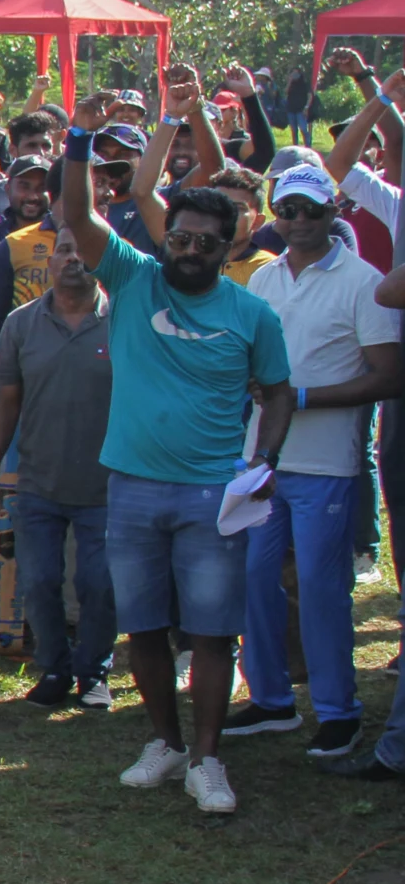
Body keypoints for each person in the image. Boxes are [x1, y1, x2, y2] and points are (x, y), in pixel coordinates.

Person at [63, 146, 293, 817]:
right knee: (145, 627)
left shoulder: (254, 315)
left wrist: (266, 459)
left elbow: (279, 394)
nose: (188, 249)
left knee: (213, 632)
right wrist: (78, 148)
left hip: (212, 493)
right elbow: (76, 214)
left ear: (230, 246)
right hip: (132, 486)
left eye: (204, 242)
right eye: (180, 236)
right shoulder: (135, 279)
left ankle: (208, 757)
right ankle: (164, 742)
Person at [228, 163, 397, 756]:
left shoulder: (364, 281)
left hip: (327, 465)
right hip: (263, 461)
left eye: (311, 210)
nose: (298, 221)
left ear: (334, 213)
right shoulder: (266, 278)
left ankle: (337, 709)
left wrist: (300, 397)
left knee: (324, 592)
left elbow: (389, 377)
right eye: (288, 210)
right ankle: (272, 700)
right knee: (254, 583)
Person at [0, 227, 118, 710]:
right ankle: (54, 668)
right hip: (37, 480)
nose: (74, 259)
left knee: (98, 584)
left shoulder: (124, 320)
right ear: (47, 263)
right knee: (37, 580)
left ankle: (94, 671)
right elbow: (6, 403)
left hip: (107, 483)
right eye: (64, 251)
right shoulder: (20, 324)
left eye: (84, 251)